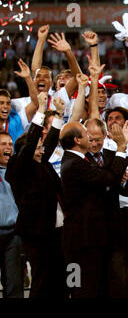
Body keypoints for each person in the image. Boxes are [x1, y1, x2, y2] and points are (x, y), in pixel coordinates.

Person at [5, 93, 67, 298]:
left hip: (55, 232)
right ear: (27, 150)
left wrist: (58, 114)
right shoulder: (19, 166)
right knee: (42, 280)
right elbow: (32, 142)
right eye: (38, 148)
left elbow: (48, 142)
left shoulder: (43, 165)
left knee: (58, 279)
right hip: (37, 233)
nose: (42, 150)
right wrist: (40, 111)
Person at [59, 120, 128, 298]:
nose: (89, 137)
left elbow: (110, 179)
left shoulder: (74, 160)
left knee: (96, 287)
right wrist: (121, 146)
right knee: (85, 289)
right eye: (85, 134)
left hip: (92, 237)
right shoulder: (75, 163)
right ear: (77, 140)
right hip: (82, 240)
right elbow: (109, 178)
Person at [0, 131, 23, 298]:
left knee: (14, 284)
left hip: (14, 235)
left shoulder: (19, 172)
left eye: (10, 144)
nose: (8, 147)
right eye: (3, 144)